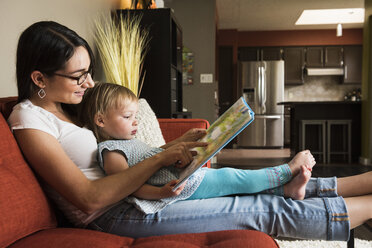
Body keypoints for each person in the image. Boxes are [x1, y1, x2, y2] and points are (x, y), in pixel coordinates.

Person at [7, 20, 372, 241]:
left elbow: (118, 135)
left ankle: (359, 185)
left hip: (138, 200)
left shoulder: (73, 105)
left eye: (89, 71)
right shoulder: (29, 119)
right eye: (78, 76)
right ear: (38, 78)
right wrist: (164, 156)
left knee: (249, 184)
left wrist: (176, 147)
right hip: (117, 216)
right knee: (259, 209)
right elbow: (87, 198)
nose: (89, 82)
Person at [78, 81, 315, 214]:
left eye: (135, 116)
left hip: (184, 174)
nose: (135, 122)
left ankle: (286, 192)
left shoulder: (127, 142)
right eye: (128, 116)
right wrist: (160, 194)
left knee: (232, 186)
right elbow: (125, 186)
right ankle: (286, 171)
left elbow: (152, 155)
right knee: (234, 178)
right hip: (181, 184)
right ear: (100, 120)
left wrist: (181, 140)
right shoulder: (110, 150)